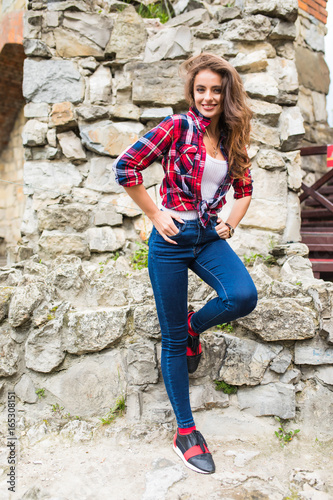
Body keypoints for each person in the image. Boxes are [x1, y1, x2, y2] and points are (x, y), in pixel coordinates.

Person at [112, 53, 258, 475]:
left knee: (242, 296)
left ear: (226, 92)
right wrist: (156, 215)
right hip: (171, 241)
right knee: (172, 340)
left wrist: (229, 224)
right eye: (201, 89)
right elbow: (126, 167)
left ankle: (194, 326)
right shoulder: (177, 126)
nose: (209, 97)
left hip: (208, 236)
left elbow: (245, 188)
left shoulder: (233, 137)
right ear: (192, 93)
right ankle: (185, 431)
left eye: (216, 89)